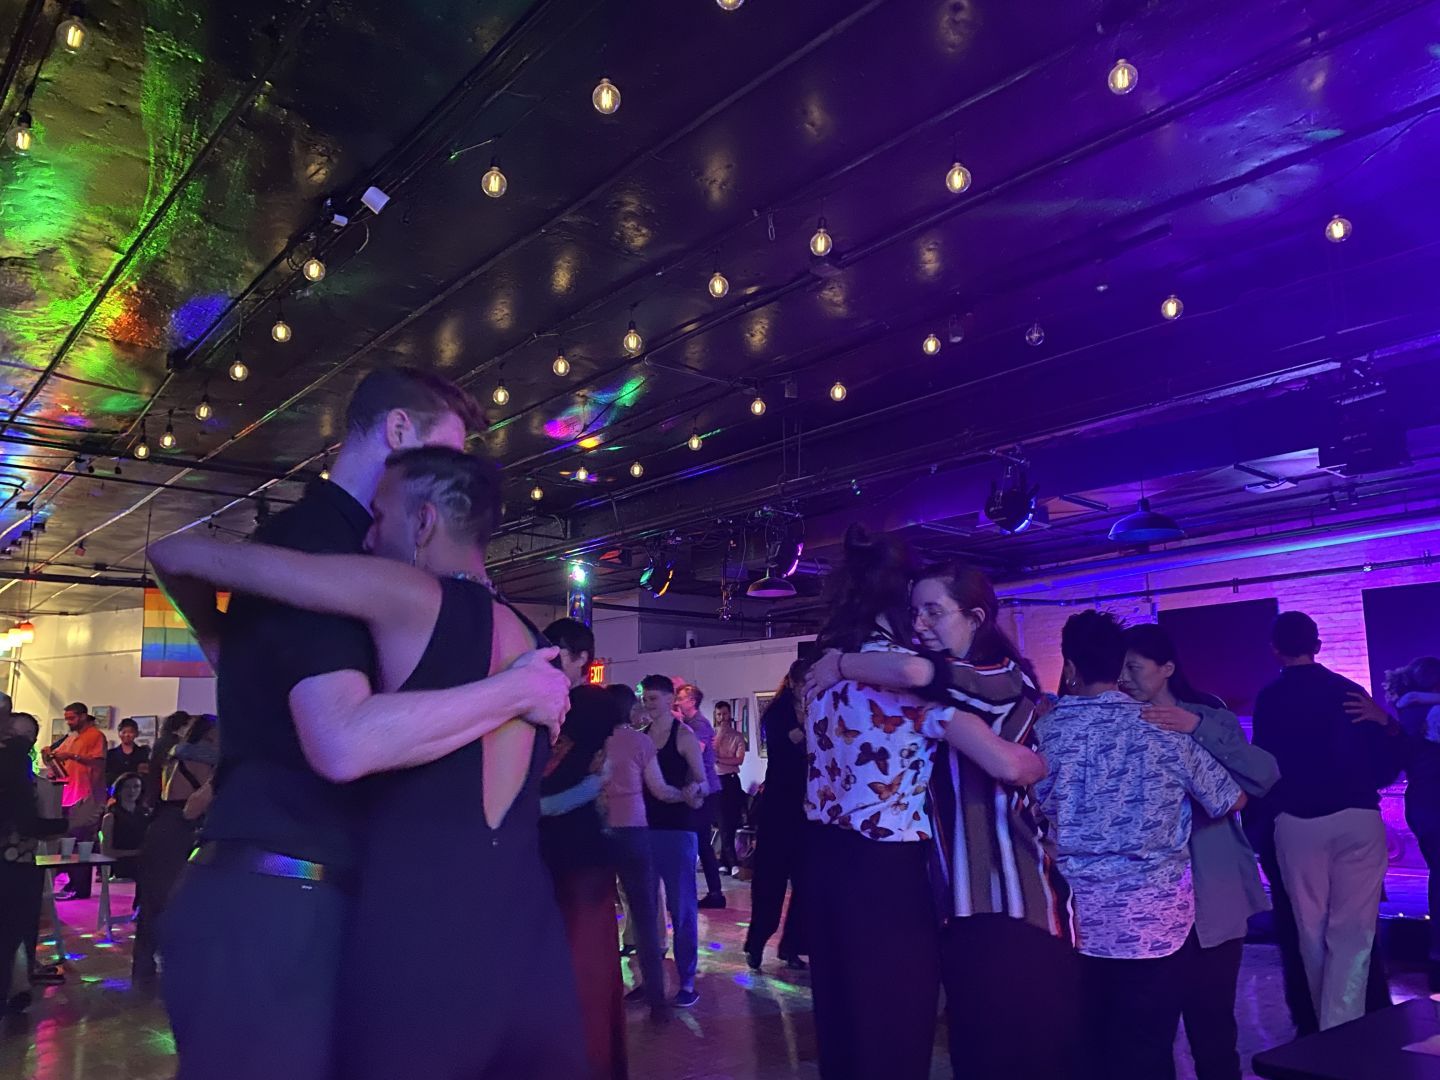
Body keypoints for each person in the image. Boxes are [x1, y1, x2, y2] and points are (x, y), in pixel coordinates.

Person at [148, 368, 573, 1080]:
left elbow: (176, 559)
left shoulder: (361, 561)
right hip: (281, 901)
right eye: (449, 449)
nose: (456, 471)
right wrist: (511, 692)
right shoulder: (331, 543)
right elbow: (342, 742)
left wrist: (232, 654)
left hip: (297, 899)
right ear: (400, 433)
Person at [804, 560, 1075, 1079]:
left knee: (1010, 1054)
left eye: (933, 611)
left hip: (1008, 895)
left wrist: (840, 663)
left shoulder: (992, 676)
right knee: (973, 1051)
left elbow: (1011, 763)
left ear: (975, 617)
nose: (922, 624)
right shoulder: (933, 691)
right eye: (914, 611)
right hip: (957, 900)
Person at [1035, 610, 1244, 1080]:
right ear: (1117, 664)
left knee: (1086, 1043)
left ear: (1069, 667)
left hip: (1071, 920)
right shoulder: (1163, 727)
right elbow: (1231, 799)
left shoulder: (1042, 733)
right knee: (1147, 1047)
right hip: (1157, 923)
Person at [1121, 623, 1279, 1080]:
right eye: (1119, 669)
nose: (1125, 678)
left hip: (1215, 889)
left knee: (1213, 1023)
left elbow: (1263, 776)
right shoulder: (1119, 725)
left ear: (1167, 668)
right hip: (1149, 895)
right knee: (1152, 1028)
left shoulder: (1208, 717)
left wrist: (1196, 727)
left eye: (1134, 667)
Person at [1251, 611, 1403, 1031]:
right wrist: (1388, 724)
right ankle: (1345, 1027)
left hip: (1298, 822)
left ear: (1275, 649)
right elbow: (1387, 768)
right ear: (1317, 646)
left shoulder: (1269, 700)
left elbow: (1265, 768)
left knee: (1309, 930)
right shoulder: (1348, 691)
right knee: (1353, 932)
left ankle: (1322, 1030)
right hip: (1358, 817)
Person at [541, 617, 630, 1078]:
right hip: (549, 852)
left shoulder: (591, 705)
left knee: (584, 971)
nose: (552, 660)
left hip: (579, 854)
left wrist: (545, 804)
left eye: (561, 653)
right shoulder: (552, 700)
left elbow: (596, 777)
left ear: (581, 658)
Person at [602, 683, 696, 1016]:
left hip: (600, 833)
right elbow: (658, 789)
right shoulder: (640, 742)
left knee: (605, 915)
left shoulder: (594, 743)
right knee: (646, 916)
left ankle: (604, 992)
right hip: (635, 832)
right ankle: (658, 1001)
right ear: (629, 709)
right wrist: (684, 795)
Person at [639, 675, 708, 1007]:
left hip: (677, 829)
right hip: (645, 828)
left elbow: (702, 782)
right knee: (646, 909)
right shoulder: (640, 738)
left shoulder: (684, 736)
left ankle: (687, 981)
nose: (648, 705)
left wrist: (692, 794)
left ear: (670, 701)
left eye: (653, 699)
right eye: (645, 699)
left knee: (681, 909)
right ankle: (650, 979)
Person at [132, 711, 214, 983]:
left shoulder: (175, 755)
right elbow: (195, 807)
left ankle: (144, 963)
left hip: (162, 825)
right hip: (178, 828)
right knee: (170, 897)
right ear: (210, 735)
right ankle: (171, 963)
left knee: (154, 899)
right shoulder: (202, 758)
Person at [743, 661, 809, 972]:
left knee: (806, 881)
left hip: (805, 806)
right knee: (771, 879)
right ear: (794, 683)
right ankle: (756, 942)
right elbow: (791, 743)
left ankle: (792, 945)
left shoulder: (814, 708)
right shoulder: (778, 712)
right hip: (780, 805)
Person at [0, 711, 65, 1013]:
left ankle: (17, 986)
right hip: (13, 862)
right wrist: (68, 823)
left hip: (21, 861)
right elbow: (29, 824)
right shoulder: (16, 767)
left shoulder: (24, 773)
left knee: (18, 928)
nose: (21, 742)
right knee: (12, 928)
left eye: (29, 736)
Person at [41, 702, 107, 900]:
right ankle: (73, 883)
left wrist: (72, 755)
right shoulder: (71, 737)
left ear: (84, 716)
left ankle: (79, 887)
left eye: (72, 718)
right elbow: (57, 761)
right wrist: (49, 756)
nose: (69, 722)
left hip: (87, 796)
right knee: (70, 842)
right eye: (67, 718)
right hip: (69, 795)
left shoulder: (96, 736)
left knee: (81, 843)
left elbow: (99, 762)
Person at [676, 684, 726, 908]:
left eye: (682, 697)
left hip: (705, 791)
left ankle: (715, 893)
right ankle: (712, 892)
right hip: (698, 789)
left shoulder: (699, 725)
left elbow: (694, 751)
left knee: (701, 842)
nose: (678, 701)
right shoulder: (690, 724)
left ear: (692, 701)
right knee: (697, 841)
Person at [713, 700, 746, 875]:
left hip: (732, 780)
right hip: (718, 781)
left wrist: (720, 760)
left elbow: (738, 760)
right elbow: (711, 755)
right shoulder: (712, 735)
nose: (722, 718)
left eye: (725, 714)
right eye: (719, 714)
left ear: (730, 714)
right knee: (723, 821)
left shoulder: (737, 736)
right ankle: (732, 862)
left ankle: (723, 861)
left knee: (732, 821)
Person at [100, 772, 150, 882]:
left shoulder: (146, 814)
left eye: (136, 787)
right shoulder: (111, 817)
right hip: (122, 866)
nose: (132, 791)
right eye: (127, 787)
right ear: (119, 789)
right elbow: (106, 851)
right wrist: (136, 852)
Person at [106, 718, 151, 789]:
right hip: (116, 791)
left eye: (130, 732)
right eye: (123, 732)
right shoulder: (111, 754)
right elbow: (107, 777)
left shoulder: (143, 753)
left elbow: (145, 776)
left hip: (137, 791)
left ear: (136, 734)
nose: (127, 735)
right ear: (119, 734)